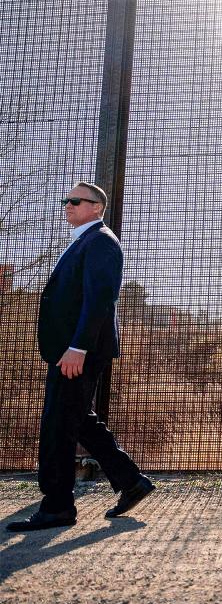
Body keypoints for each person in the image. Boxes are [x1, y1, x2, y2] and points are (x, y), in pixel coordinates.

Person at [6, 183, 154, 532]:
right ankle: (131, 481)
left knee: (58, 425)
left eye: (75, 201)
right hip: (69, 351)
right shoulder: (82, 241)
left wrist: (78, 348)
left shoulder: (101, 241)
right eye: (66, 200)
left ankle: (57, 507)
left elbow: (100, 300)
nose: (67, 205)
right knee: (77, 418)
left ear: (96, 207)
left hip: (79, 351)